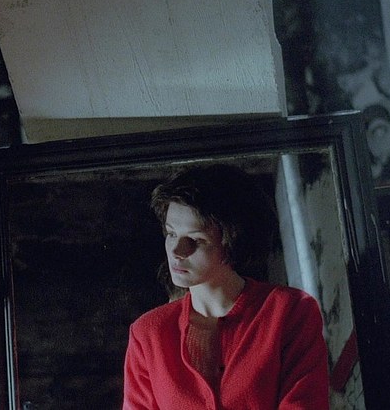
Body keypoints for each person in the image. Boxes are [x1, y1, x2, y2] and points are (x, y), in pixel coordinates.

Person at [123, 164, 329, 409]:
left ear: (232, 241)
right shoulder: (148, 333)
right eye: (171, 234)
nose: (177, 251)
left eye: (196, 240)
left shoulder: (289, 311)